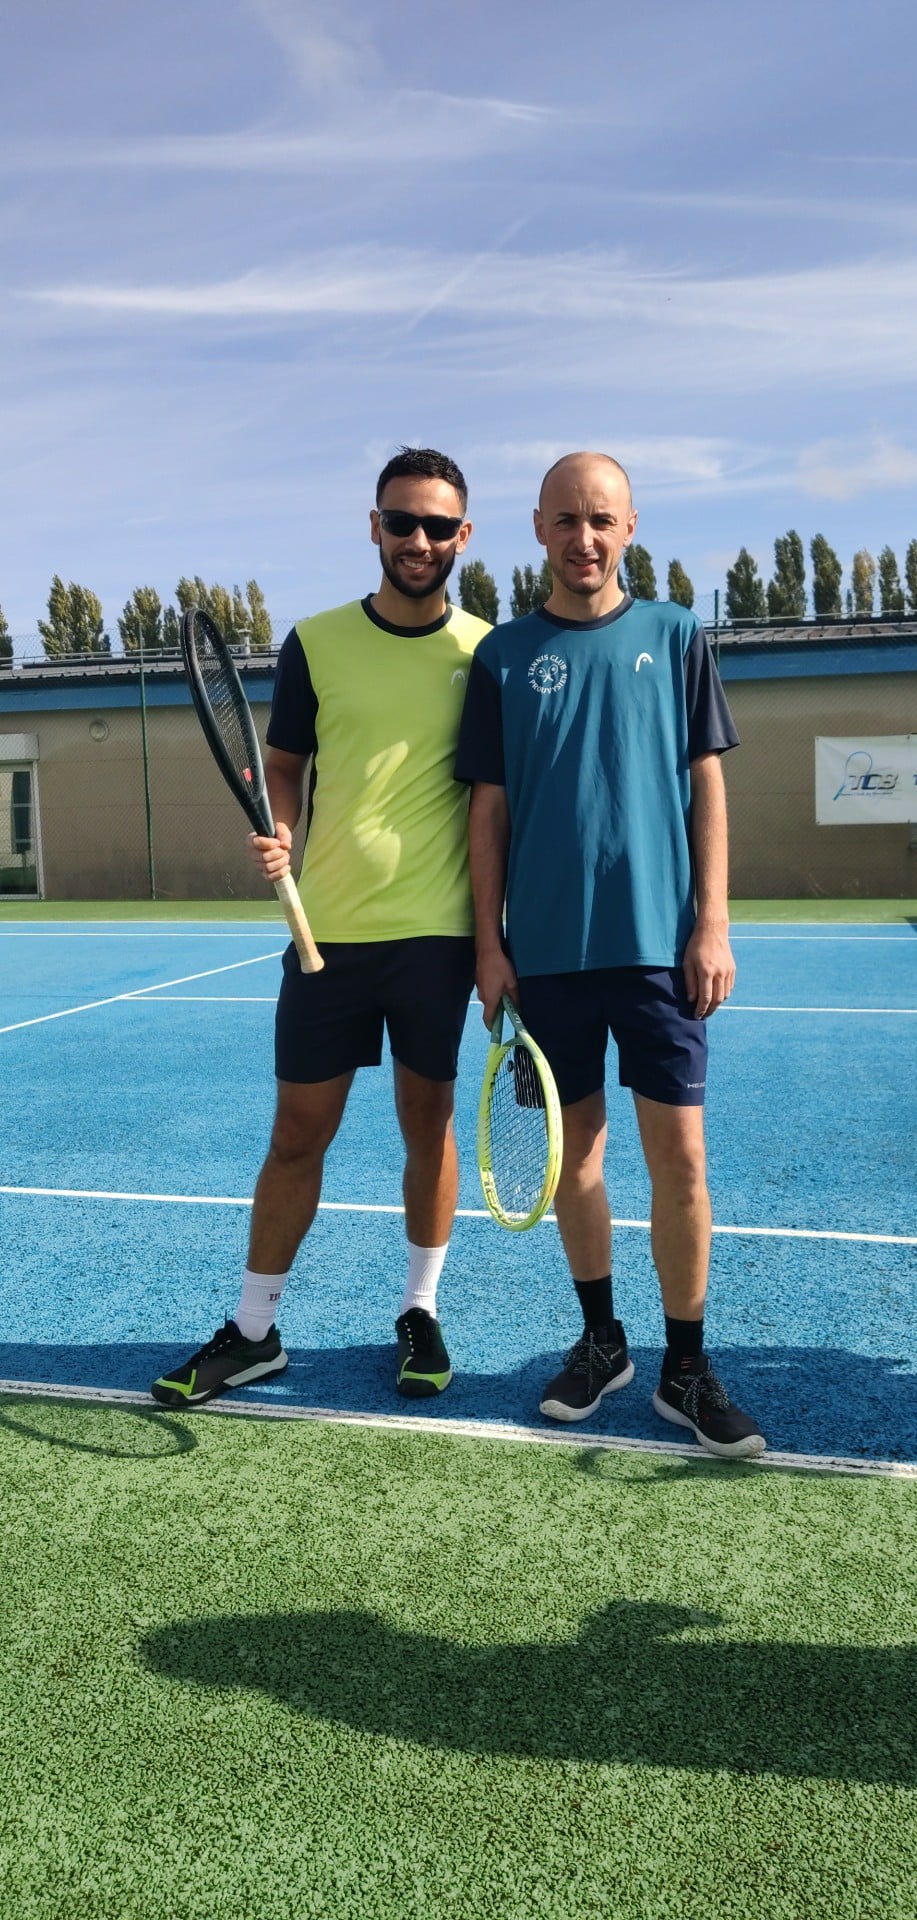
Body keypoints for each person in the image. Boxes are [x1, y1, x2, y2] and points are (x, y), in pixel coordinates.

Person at [151, 448, 491, 1410]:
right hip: (326, 938)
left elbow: (494, 800)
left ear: (462, 537)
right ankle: (254, 1331)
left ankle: (419, 1311)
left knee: (427, 1125)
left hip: (435, 939)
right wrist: (282, 831)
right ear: (373, 526)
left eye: (437, 525)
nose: (417, 540)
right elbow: (285, 766)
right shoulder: (315, 642)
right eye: (401, 521)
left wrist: (496, 937)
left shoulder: (488, 654)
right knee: (297, 1135)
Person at [454, 451, 764, 1459]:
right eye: (565, 520)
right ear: (536, 528)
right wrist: (488, 945)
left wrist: (711, 923)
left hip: (659, 953)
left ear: (628, 527)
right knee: (573, 1158)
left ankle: (685, 1366)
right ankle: (602, 1342)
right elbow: (488, 811)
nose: (582, 539)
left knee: (681, 1159)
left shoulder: (674, 635)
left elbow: (705, 784)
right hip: (544, 959)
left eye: (601, 520)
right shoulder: (502, 657)